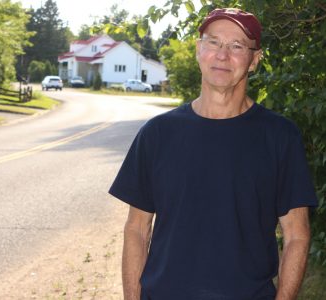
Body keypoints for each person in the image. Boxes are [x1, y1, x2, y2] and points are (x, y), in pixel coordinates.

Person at [109, 7, 318, 300]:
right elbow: (137, 230)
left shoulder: (280, 136)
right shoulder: (158, 134)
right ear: (198, 50)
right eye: (213, 42)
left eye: (237, 46)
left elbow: (297, 234)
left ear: (255, 59)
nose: (222, 55)